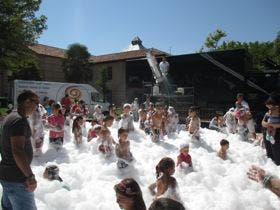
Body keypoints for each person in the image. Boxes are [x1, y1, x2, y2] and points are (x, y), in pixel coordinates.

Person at [0, 90, 38, 210]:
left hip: (8, 176)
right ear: (27, 102)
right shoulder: (18, 120)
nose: (36, 106)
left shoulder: (11, 117)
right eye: (35, 103)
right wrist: (30, 176)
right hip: (18, 179)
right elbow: (17, 150)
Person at [262, 92, 280, 165]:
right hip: (268, 132)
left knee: (277, 154)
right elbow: (263, 122)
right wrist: (268, 124)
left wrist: (274, 125)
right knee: (270, 153)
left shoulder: (278, 110)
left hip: (277, 134)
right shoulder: (269, 111)